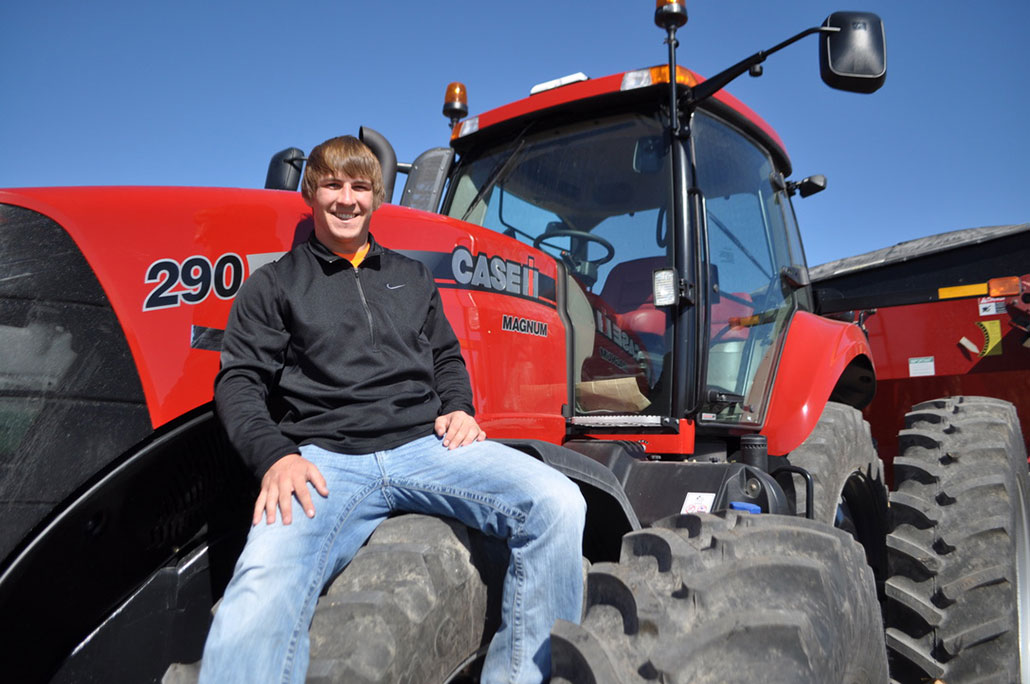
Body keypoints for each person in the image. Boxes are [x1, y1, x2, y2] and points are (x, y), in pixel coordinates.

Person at [198, 135, 585, 684]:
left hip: (423, 449)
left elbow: (447, 356)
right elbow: (238, 381)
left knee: (559, 501)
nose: (346, 199)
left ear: (376, 196)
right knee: (261, 585)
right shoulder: (275, 284)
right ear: (312, 193)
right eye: (333, 184)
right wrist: (274, 458)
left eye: (359, 186)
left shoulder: (413, 276)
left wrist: (459, 407)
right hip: (325, 463)